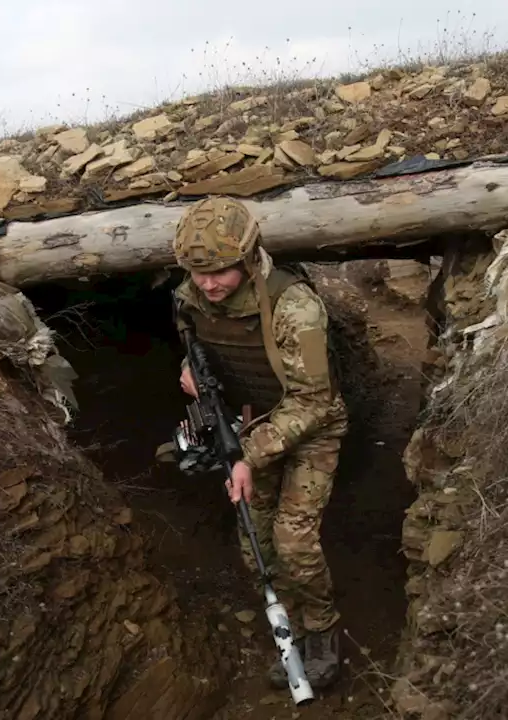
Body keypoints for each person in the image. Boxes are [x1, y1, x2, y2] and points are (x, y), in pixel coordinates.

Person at [170, 195, 349, 690]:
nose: (208, 284)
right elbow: (195, 347)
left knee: (294, 543)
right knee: (256, 544)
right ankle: (285, 625)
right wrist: (189, 372)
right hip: (250, 425)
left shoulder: (295, 307)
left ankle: (322, 633)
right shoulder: (190, 297)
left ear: (249, 257)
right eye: (197, 272)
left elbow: (313, 403)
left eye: (220, 271)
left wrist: (246, 457)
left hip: (312, 428)